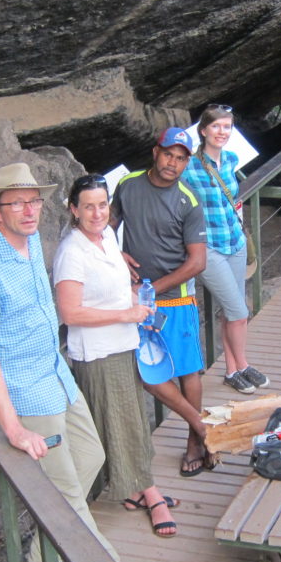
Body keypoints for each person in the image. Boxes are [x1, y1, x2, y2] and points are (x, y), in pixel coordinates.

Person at [0, 162, 117, 562]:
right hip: (27, 393)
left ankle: (38, 555)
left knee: (91, 456)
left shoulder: (29, 245)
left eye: (34, 201)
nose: (30, 211)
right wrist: (13, 429)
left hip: (56, 376)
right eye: (17, 203)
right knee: (67, 493)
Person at [53, 175, 178, 538]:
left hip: (123, 343)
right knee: (121, 422)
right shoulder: (71, 253)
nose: (97, 213)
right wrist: (125, 314)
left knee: (131, 419)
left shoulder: (107, 235)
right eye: (88, 206)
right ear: (74, 210)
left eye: (103, 205)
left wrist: (134, 297)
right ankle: (150, 493)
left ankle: (134, 487)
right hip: (98, 352)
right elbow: (70, 313)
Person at [110, 128, 214, 478]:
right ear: (156, 152)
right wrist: (115, 252)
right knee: (148, 373)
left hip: (175, 299)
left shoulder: (188, 200)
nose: (174, 163)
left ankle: (194, 442)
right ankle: (202, 426)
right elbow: (104, 225)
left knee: (187, 370)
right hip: (136, 299)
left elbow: (197, 262)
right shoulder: (128, 185)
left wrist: (153, 288)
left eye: (182, 158)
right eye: (169, 154)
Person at [182, 104, 270, 394]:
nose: (222, 132)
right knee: (238, 310)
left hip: (235, 240)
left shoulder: (231, 160)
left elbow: (231, 197)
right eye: (216, 126)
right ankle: (243, 364)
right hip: (209, 248)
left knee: (229, 310)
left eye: (227, 127)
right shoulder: (189, 166)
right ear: (204, 130)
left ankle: (232, 370)